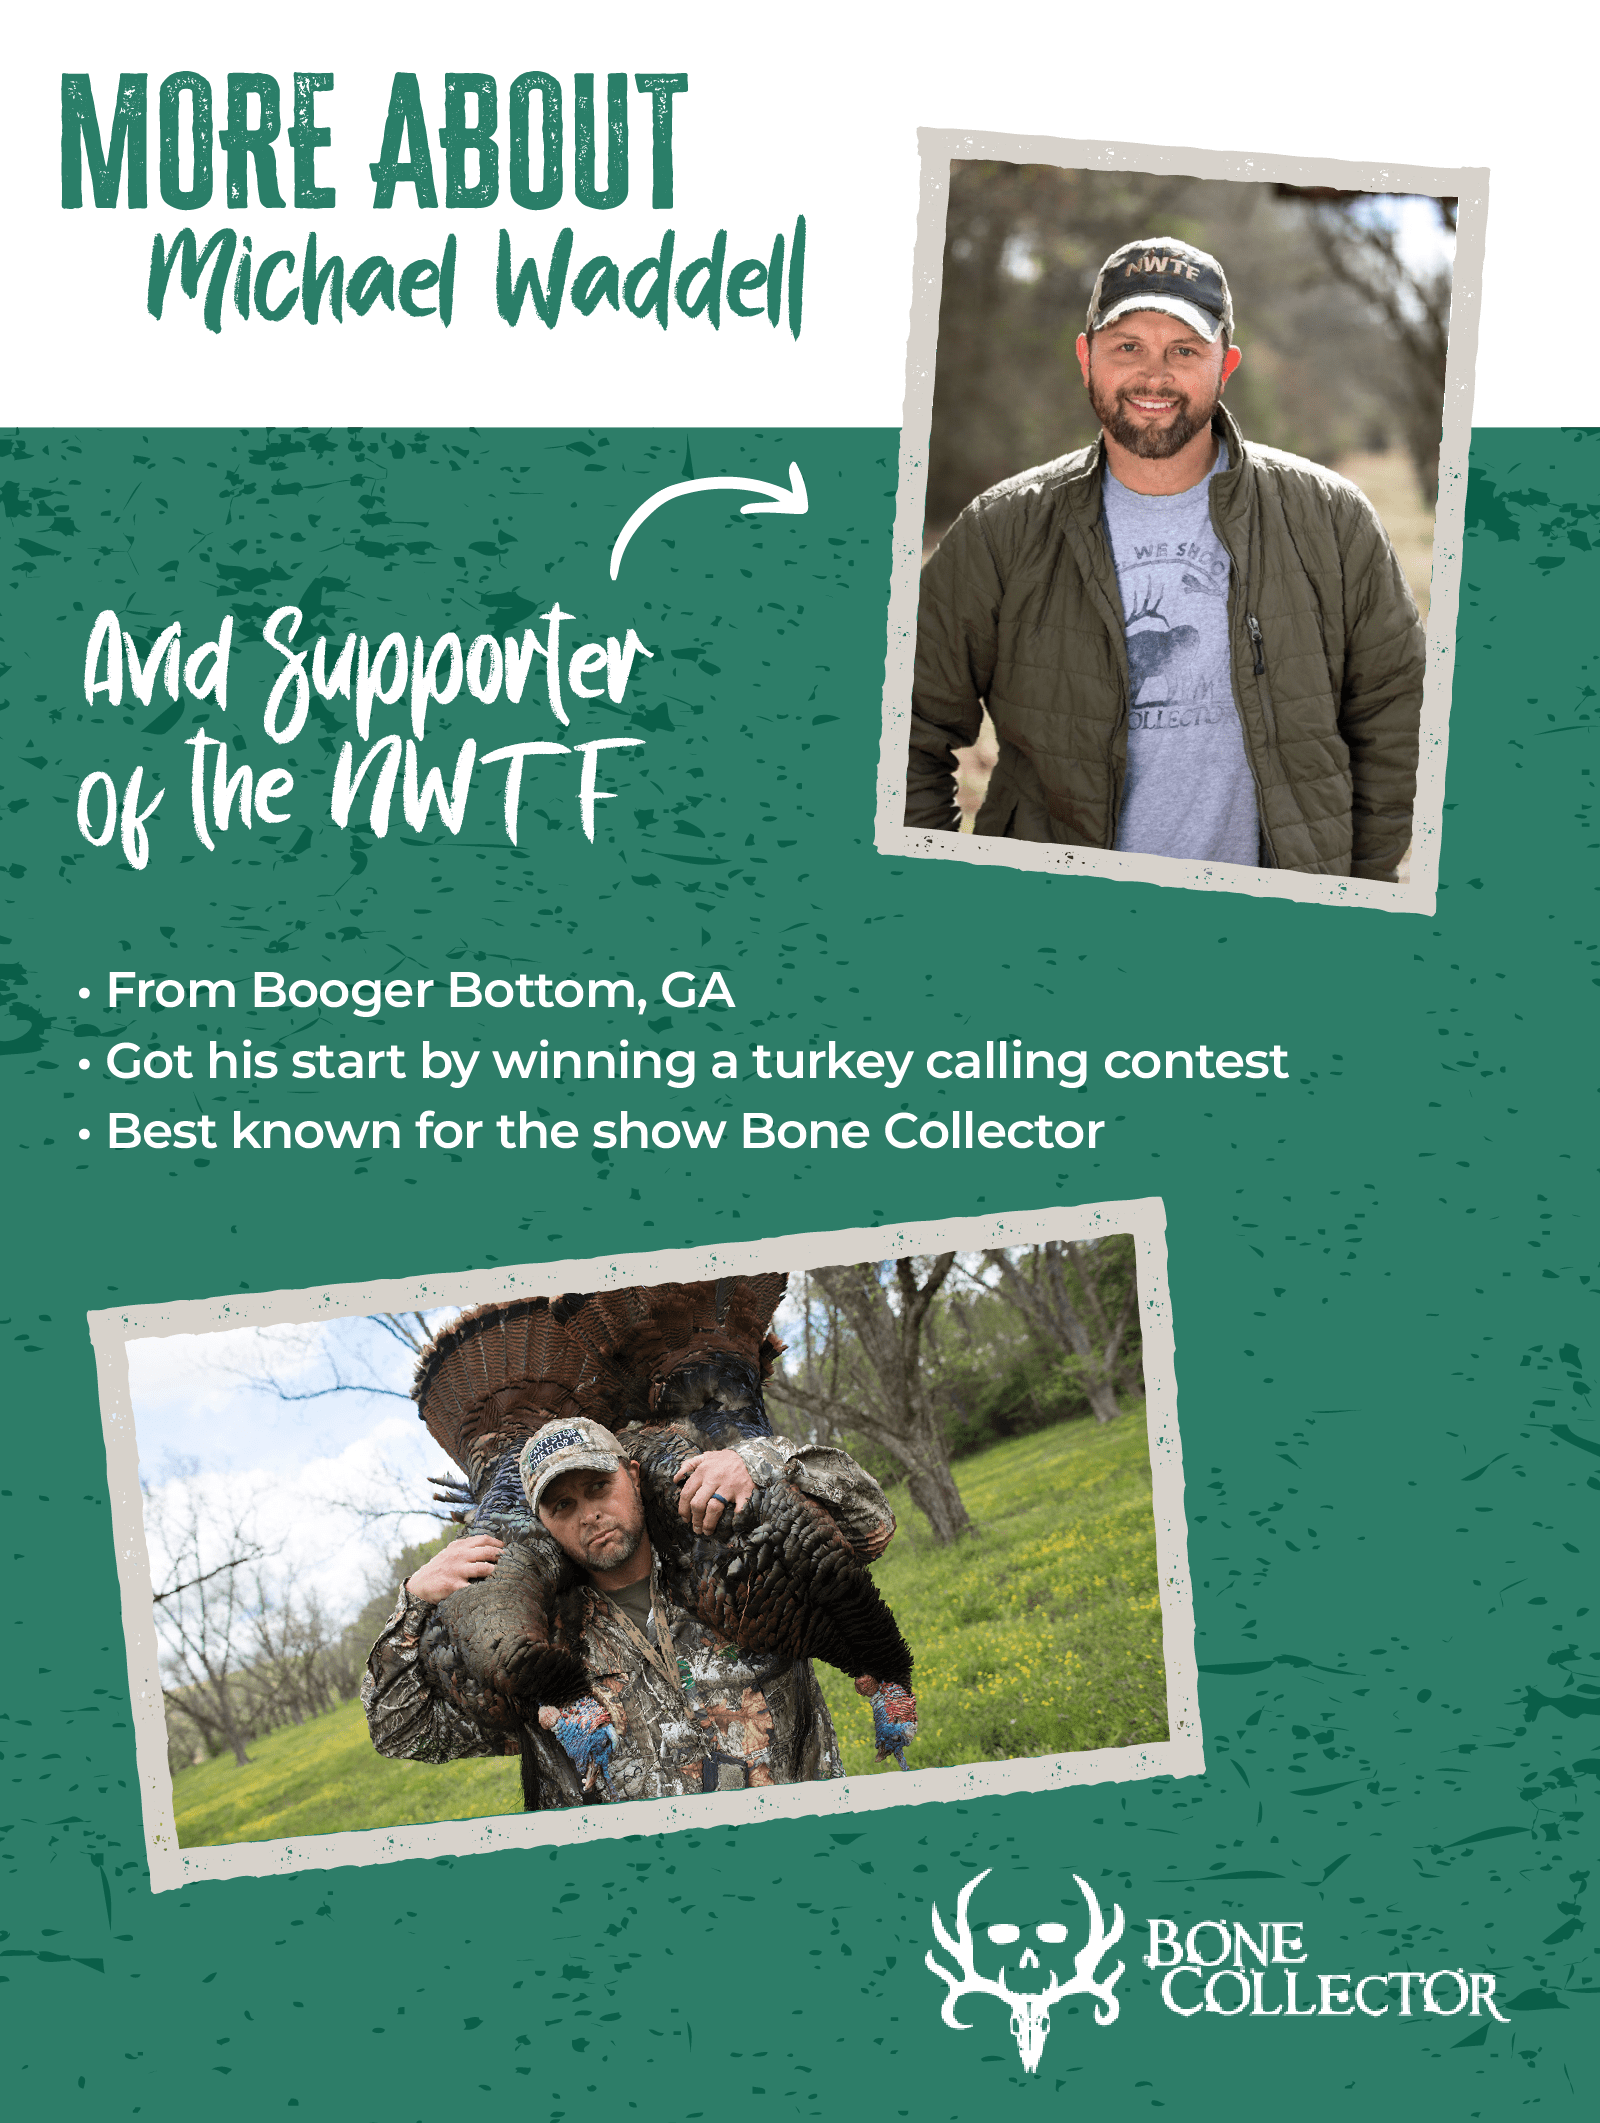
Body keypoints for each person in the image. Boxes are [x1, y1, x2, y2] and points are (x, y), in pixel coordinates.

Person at [905, 236, 1425, 880]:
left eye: (1184, 350)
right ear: (1085, 356)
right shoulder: (1001, 531)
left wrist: (1358, 887)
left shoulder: (1330, 517)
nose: (1155, 376)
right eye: (1128, 347)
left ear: (1225, 364)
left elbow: (1395, 718)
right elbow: (903, 729)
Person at [363, 1413, 909, 1804]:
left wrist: (758, 1463)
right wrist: (411, 1607)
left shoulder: (737, 1551)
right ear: (542, 1522)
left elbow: (870, 1522)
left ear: (632, 1472)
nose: (591, 1514)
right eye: (563, 1505)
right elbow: (400, 1730)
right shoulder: (543, 1634)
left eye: (599, 1487)